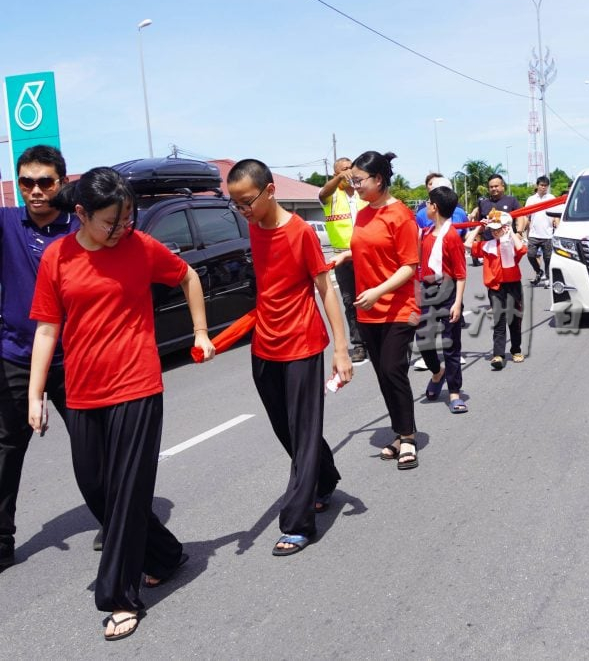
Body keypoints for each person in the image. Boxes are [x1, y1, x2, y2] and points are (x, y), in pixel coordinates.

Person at [28, 167, 214, 641]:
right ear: (81, 214)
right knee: (96, 487)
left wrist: (200, 332)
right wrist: (35, 393)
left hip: (136, 384)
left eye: (127, 218)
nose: (121, 229)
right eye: (111, 221)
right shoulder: (57, 257)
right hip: (82, 389)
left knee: (128, 492)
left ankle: (119, 595)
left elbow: (188, 276)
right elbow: (47, 328)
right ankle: (165, 555)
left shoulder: (140, 247)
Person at [226, 159, 350, 556]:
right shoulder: (252, 227)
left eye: (246, 202)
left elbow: (325, 289)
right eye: (235, 204)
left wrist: (341, 349)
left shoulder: (300, 233)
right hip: (264, 344)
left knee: (304, 430)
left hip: (301, 344)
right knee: (287, 430)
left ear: (270, 191)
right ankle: (325, 479)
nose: (242, 210)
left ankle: (297, 522)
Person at [0, 146, 81, 571]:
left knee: (94, 447)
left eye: (45, 182)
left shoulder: (81, 227)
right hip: (16, 355)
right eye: (26, 182)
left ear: (62, 183)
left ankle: (115, 520)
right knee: (6, 449)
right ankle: (1, 541)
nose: (35, 191)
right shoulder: (7, 223)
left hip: (74, 358)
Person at [334, 151, 421, 470]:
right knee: (383, 374)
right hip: (367, 309)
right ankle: (399, 432)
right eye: (352, 180)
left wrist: (378, 291)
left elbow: (409, 266)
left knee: (393, 369)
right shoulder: (363, 213)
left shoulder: (401, 216)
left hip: (398, 307)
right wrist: (346, 256)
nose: (354, 186)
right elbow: (366, 247)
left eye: (358, 180)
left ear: (379, 179)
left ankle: (408, 437)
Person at [416, 185, 468, 414]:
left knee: (451, 345)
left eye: (428, 203)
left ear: (435, 207)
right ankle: (438, 373)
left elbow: (461, 274)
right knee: (423, 339)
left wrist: (457, 303)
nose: (425, 206)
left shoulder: (452, 237)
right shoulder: (425, 234)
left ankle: (455, 392)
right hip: (427, 292)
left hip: (447, 293)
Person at [318, 157, 367, 362]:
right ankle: (359, 344)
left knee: (372, 298)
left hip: (367, 255)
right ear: (335, 174)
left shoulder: (364, 192)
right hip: (343, 258)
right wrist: (339, 179)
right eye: (343, 170)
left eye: (350, 168)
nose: (348, 172)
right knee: (350, 301)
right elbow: (322, 193)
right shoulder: (331, 196)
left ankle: (375, 339)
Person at [468, 211, 527, 370]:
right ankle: (498, 355)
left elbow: (521, 249)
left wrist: (511, 231)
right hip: (495, 287)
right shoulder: (488, 246)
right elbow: (467, 244)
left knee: (514, 320)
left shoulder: (512, 244)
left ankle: (516, 350)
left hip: (513, 286)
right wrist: (478, 227)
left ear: (504, 227)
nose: (495, 231)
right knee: (499, 321)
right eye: (493, 229)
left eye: (498, 228)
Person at [524, 175, 556, 286]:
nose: (543, 187)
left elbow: (556, 213)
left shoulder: (551, 198)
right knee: (530, 255)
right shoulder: (531, 199)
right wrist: (523, 231)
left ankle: (547, 277)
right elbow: (526, 216)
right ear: (537, 186)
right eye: (542, 185)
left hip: (547, 234)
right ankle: (539, 271)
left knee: (548, 258)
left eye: (546, 186)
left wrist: (556, 222)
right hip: (534, 234)